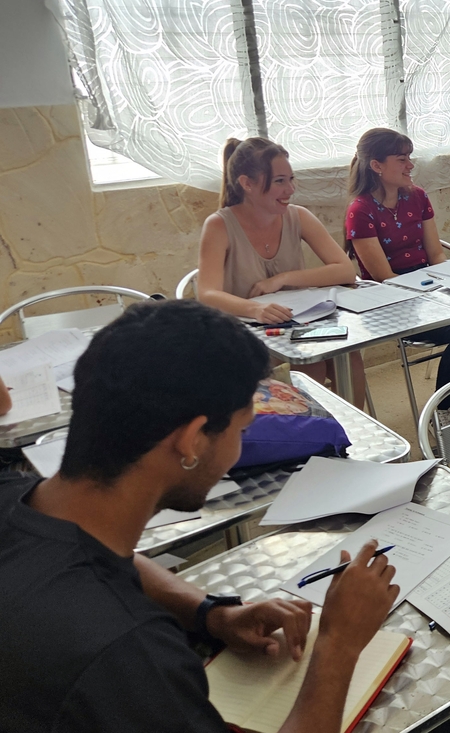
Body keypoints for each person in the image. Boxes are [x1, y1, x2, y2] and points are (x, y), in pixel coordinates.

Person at [0, 300, 405, 732]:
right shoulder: (130, 654)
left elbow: (96, 549)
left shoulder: (21, 496)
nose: (237, 449)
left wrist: (210, 613)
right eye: (242, 430)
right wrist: (339, 644)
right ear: (192, 441)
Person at [344, 128, 450, 424]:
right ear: (376, 166)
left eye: (410, 157)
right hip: (392, 300)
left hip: (430, 285)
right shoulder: (361, 211)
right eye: (401, 159)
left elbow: (436, 254)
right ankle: (443, 409)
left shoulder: (418, 197)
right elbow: (385, 277)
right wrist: (434, 294)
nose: (410, 165)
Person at [197, 137, 368, 407]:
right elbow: (206, 294)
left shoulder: (298, 216)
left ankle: (351, 438)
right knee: (310, 367)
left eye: (291, 179)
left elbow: (345, 270)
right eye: (279, 181)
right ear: (247, 183)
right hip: (246, 333)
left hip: (296, 323)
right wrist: (255, 309)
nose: (290, 189)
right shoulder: (219, 225)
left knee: (348, 356)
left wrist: (282, 279)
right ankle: (313, 439)